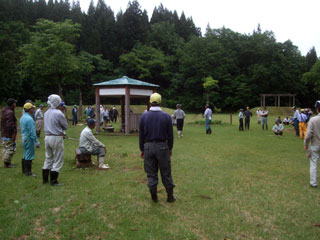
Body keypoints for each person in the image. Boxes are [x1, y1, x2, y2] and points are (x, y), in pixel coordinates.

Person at [139, 93, 175, 203]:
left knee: (151, 173)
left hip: (148, 147)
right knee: (166, 172)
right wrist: (170, 148)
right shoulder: (166, 116)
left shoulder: (144, 116)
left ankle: (154, 197)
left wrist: (142, 149)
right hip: (163, 147)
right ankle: (170, 197)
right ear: (161, 102)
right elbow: (170, 135)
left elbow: (141, 135)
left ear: (150, 102)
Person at [42, 94, 68, 186]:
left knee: (48, 158)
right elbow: (65, 126)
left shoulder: (46, 113)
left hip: (47, 137)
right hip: (56, 137)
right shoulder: (58, 113)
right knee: (58, 159)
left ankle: (45, 180)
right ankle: (53, 181)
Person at [20, 102, 40, 176]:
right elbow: (32, 131)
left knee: (25, 153)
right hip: (28, 138)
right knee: (29, 155)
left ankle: (24, 170)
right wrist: (36, 141)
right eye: (32, 108)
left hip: (24, 136)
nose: (34, 109)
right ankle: (28, 172)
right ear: (29, 109)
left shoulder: (23, 117)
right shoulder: (29, 119)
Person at [304, 100, 320, 188]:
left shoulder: (313, 120)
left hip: (315, 144)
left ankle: (313, 182)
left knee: (313, 163)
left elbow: (308, 134)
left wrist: (306, 143)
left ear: (317, 109)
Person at [1, 98, 17, 168]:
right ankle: (7, 164)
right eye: (14, 103)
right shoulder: (10, 112)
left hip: (4, 133)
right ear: (12, 104)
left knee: (6, 148)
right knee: (10, 149)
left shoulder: (4, 111)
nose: (15, 104)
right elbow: (10, 125)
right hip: (8, 134)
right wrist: (13, 134)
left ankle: (7, 162)